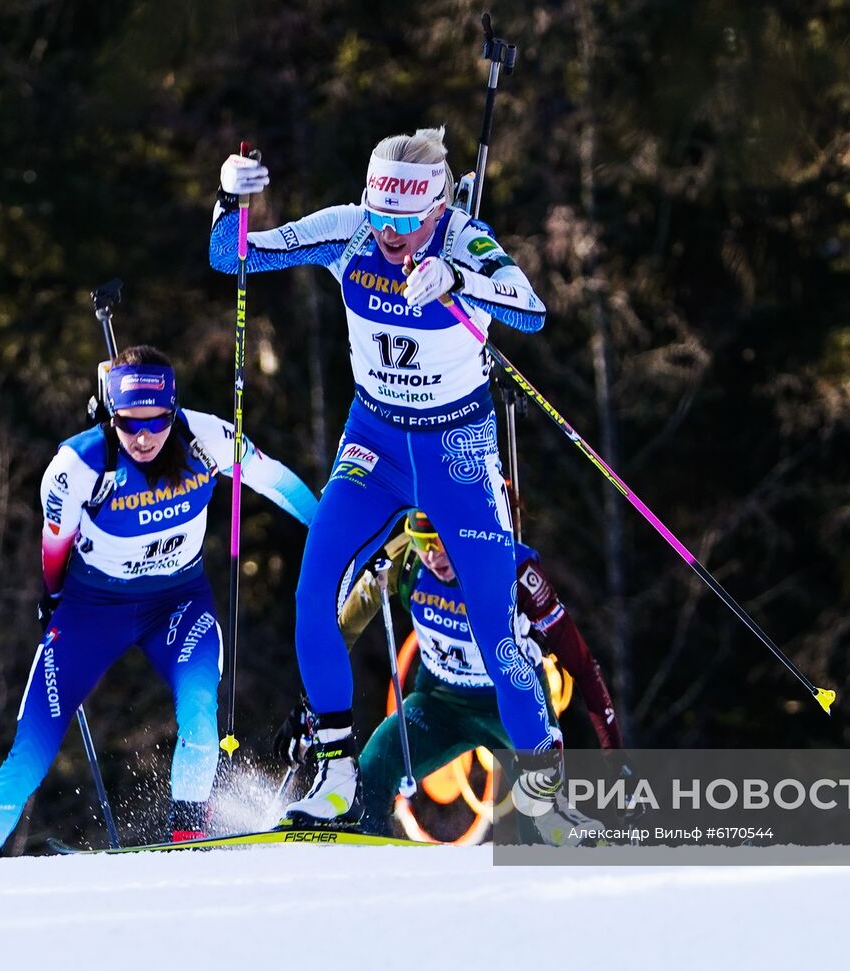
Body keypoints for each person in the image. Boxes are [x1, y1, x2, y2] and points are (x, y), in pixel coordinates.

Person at [209, 127, 587, 840]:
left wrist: (463, 281)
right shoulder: (350, 234)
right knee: (313, 589)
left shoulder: (465, 239)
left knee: (496, 627)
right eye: (381, 217)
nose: (391, 237)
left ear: (438, 212)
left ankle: (549, 798)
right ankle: (336, 773)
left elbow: (530, 309)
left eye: (407, 225)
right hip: (376, 441)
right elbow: (230, 257)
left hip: (457, 449)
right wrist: (229, 199)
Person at [0, 346, 318, 857]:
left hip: (177, 601)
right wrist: (53, 595)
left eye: (156, 422)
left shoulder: (208, 439)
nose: (143, 437)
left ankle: (187, 834)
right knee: (26, 764)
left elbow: (276, 481)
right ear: (110, 414)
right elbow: (54, 543)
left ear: (174, 411)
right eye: (128, 425)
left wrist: (331, 537)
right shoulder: (76, 466)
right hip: (92, 610)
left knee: (199, 712)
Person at [337, 512, 623, 840]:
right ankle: (362, 857)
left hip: (512, 705)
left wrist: (616, 755)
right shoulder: (404, 559)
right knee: (369, 777)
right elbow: (345, 628)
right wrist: (312, 703)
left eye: (440, 542)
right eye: (422, 542)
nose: (432, 556)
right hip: (438, 703)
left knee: (542, 817)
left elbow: (584, 667)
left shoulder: (514, 568)